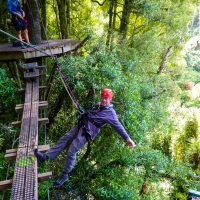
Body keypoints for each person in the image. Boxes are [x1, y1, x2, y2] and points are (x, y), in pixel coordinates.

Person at [34, 88, 136, 186]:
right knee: (64, 139)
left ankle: (65, 174)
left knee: (71, 151)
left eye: (106, 99)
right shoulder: (98, 106)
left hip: (87, 132)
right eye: (103, 98)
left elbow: (118, 126)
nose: (104, 100)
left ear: (110, 99)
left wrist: (127, 139)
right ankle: (45, 157)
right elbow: (91, 114)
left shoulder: (110, 113)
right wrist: (83, 112)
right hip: (81, 125)